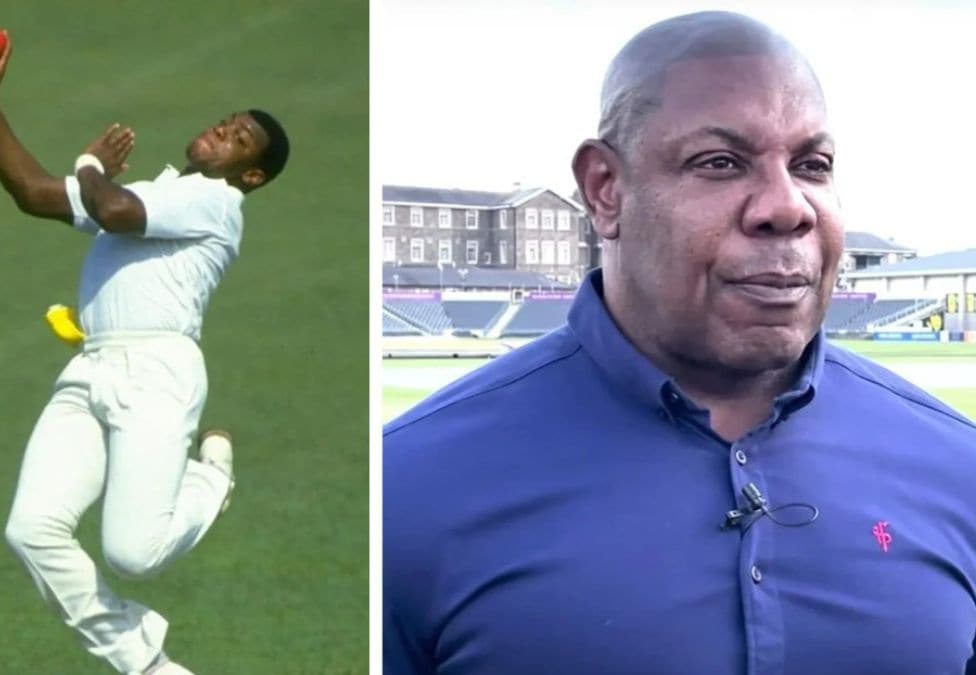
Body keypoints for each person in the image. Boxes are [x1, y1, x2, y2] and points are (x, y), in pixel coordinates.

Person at [383, 11, 976, 675]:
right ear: (605, 191)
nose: (787, 206)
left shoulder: (961, 467)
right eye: (720, 162)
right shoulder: (406, 487)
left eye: (812, 165)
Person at [0, 27, 290, 675]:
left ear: (250, 174)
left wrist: (89, 166)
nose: (222, 130)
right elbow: (31, 193)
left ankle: (209, 479)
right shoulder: (161, 191)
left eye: (239, 138)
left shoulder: (218, 203)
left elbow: (111, 210)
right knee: (32, 530)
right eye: (226, 121)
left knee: (133, 556)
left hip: (157, 374)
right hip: (91, 368)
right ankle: (147, 664)